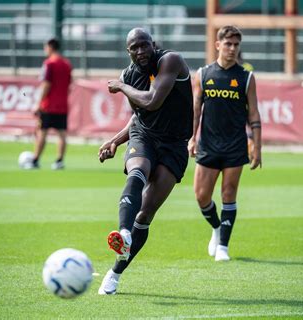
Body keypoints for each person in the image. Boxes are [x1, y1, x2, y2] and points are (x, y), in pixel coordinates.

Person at [97, 28, 193, 294]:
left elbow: (152, 100)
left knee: (146, 213)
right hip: (145, 137)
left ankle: (115, 273)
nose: (140, 52)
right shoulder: (129, 75)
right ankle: (123, 233)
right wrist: (116, 140)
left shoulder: (170, 60)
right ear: (127, 51)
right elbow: (140, 116)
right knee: (137, 171)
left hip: (174, 145)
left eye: (144, 45)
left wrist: (121, 87)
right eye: (134, 48)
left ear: (153, 44)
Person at [188, 25, 262, 262]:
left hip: (235, 145)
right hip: (208, 144)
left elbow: (254, 115)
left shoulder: (246, 77)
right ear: (218, 45)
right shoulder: (203, 74)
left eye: (236, 45)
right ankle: (217, 227)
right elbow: (196, 110)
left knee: (229, 194)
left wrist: (257, 147)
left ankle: (223, 246)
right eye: (228, 44)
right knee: (201, 196)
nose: (232, 49)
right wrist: (191, 138)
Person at [27, 38, 72, 170]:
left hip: (48, 105)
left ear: (50, 47)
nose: (44, 50)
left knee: (42, 132)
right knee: (62, 134)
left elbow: (46, 84)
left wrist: (39, 103)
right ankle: (59, 161)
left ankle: (35, 160)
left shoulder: (49, 63)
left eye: (45, 47)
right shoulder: (67, 64)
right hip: (62, 105)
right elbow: (69, 84)